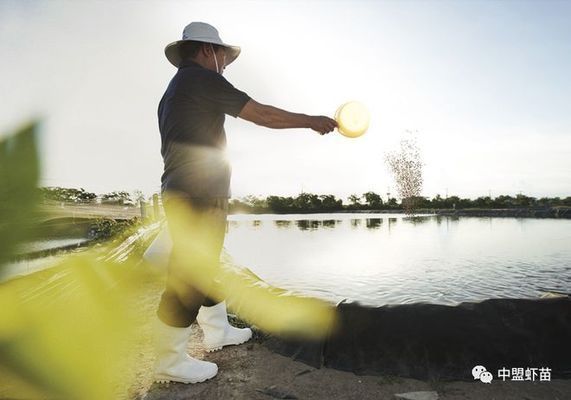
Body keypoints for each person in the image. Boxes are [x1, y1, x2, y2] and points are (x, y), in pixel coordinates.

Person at [154, 21, 337, 384]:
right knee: (189, 274)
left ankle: (218, 332)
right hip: (196, 194)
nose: (225, 63)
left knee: (206, 265)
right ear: (208, 51)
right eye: (223, 55)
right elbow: (263, 114)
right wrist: (312, 121)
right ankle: (170, 360)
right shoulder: (200, 78)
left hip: (192, 190)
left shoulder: (177, 88)